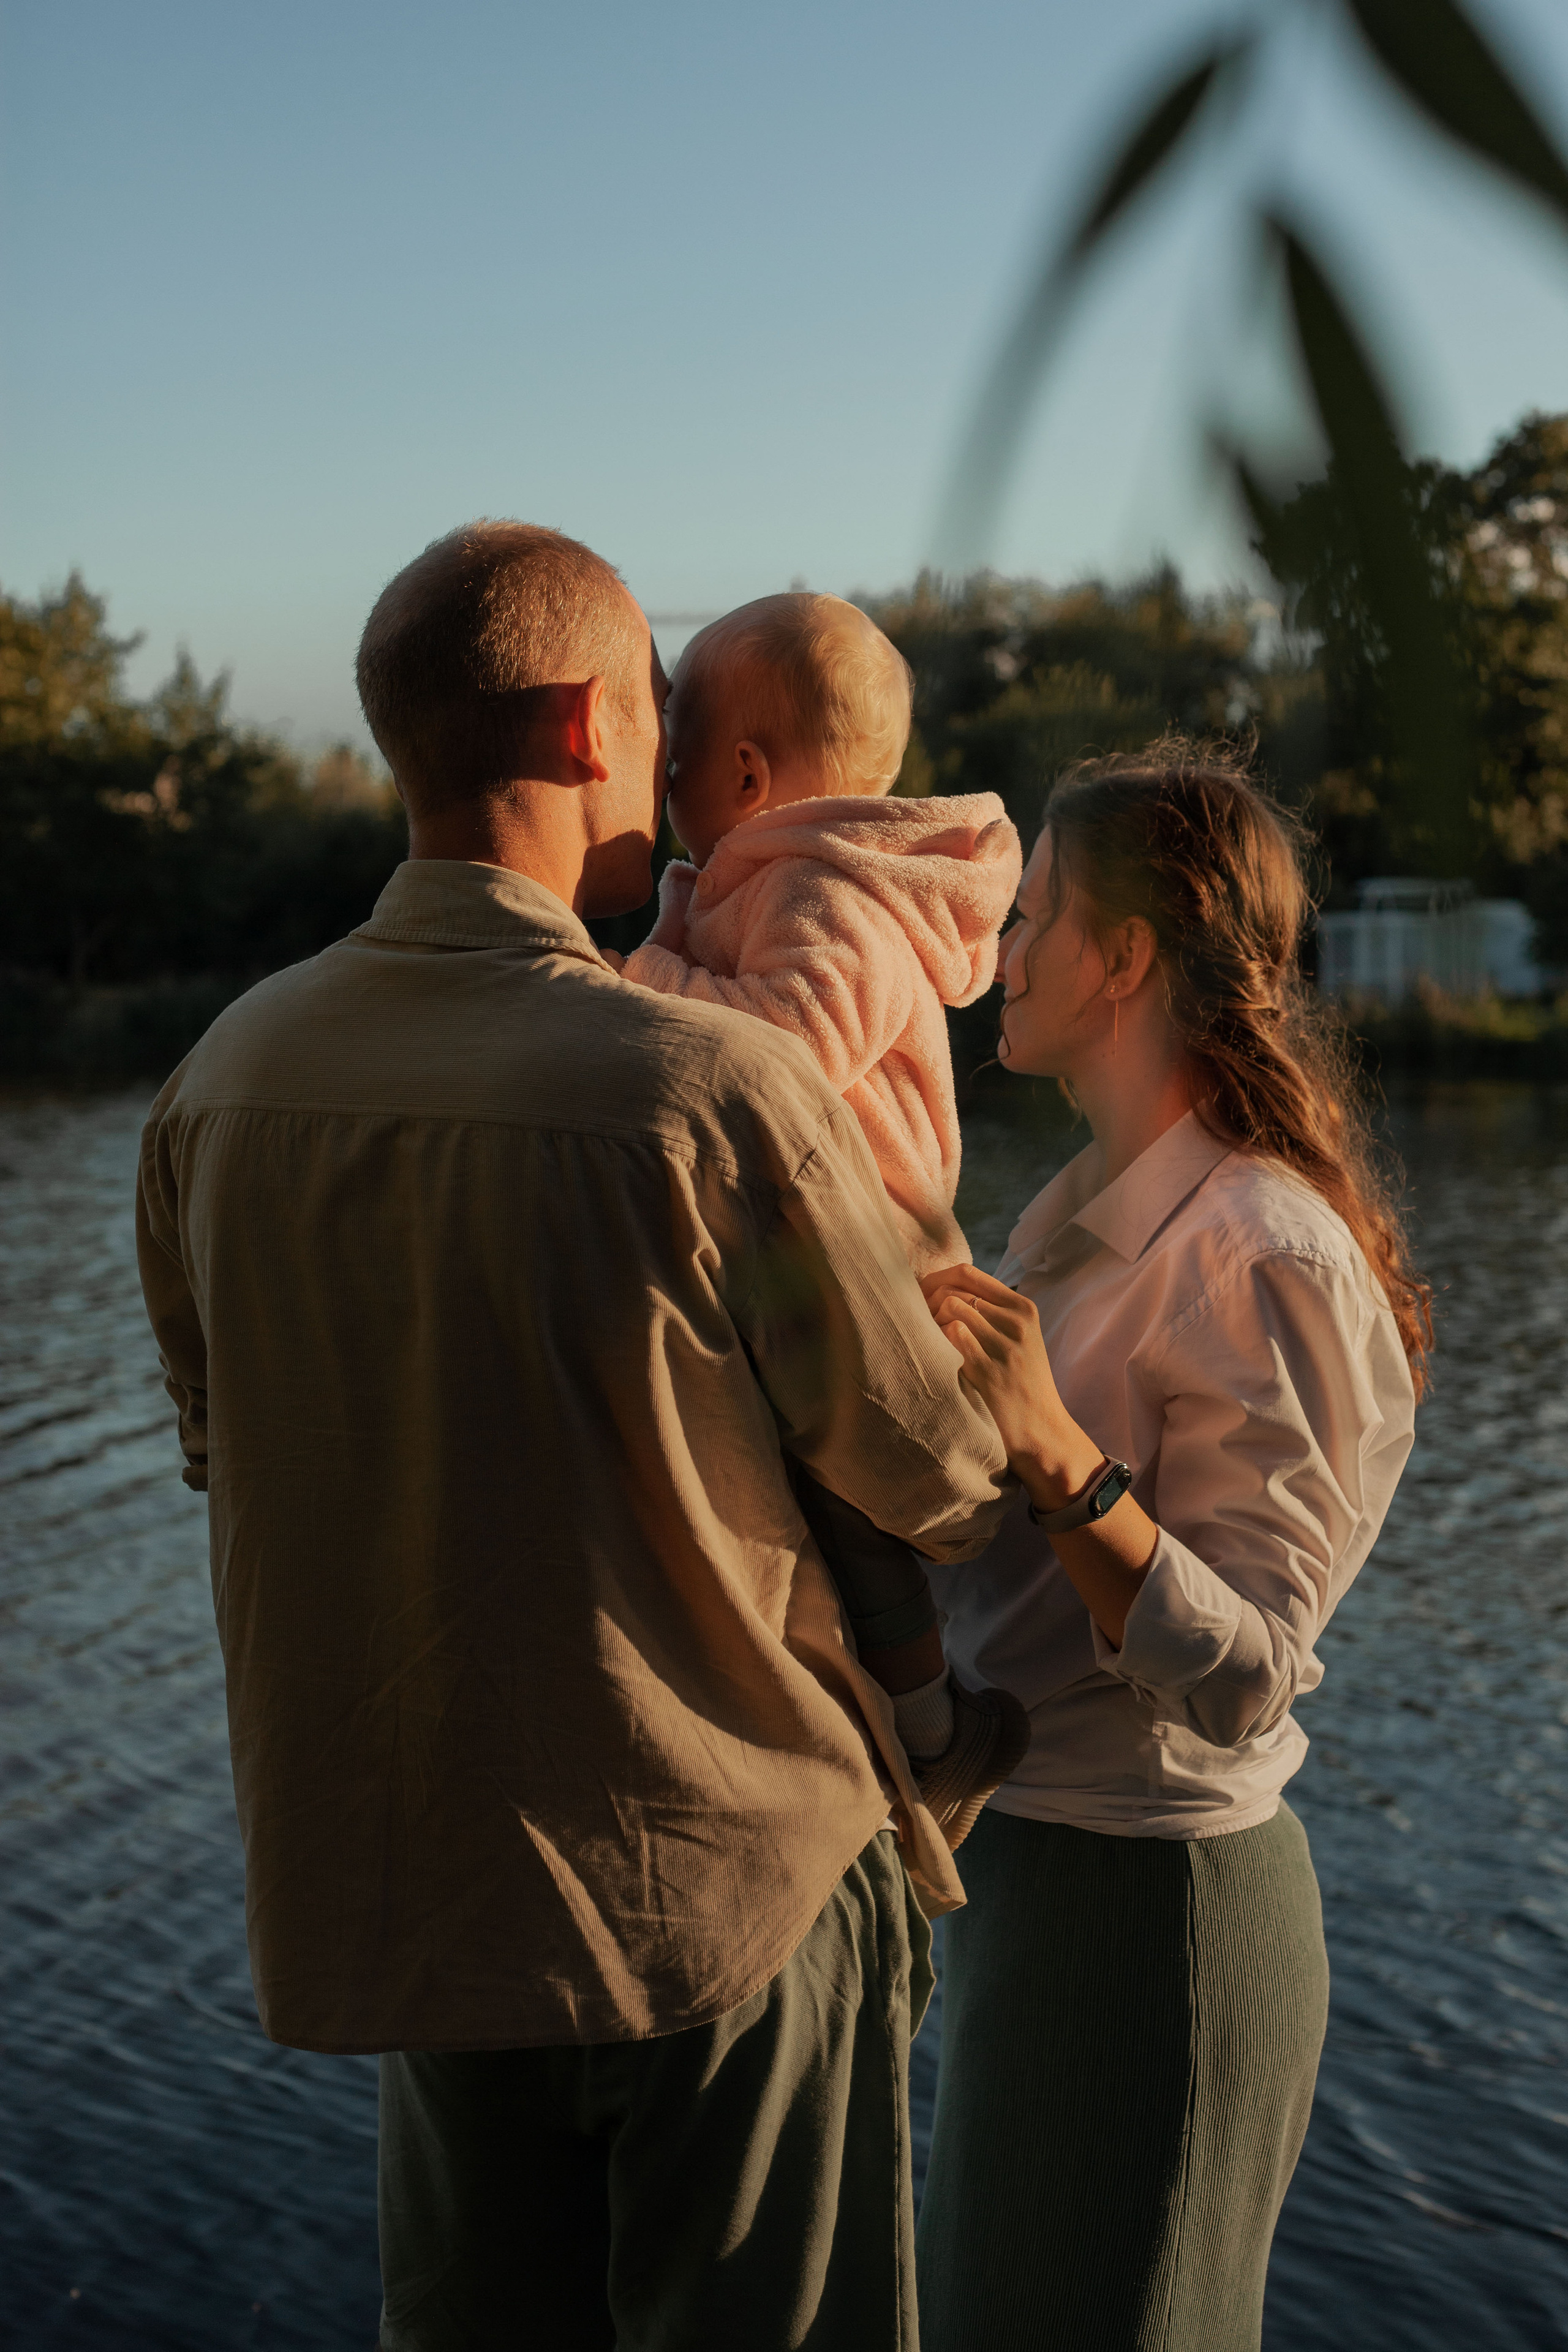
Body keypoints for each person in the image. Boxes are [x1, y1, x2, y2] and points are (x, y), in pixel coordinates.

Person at [135, 522, 1014, 2352]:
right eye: (657, 720)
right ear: (577, 730)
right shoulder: (714, 1087)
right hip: (732, 1905)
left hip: (438, 1924)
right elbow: (929, 1476)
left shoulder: (216, 1087)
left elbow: (230, 1451)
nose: (682, 792)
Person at [913, 742, 1427, 2352]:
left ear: (1122, 954)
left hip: (1159, 1925)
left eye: (1033, 917)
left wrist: (1052, 1444)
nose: (998, 957)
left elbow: (1252, 1678)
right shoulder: (1081, 1217)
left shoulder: (1262, 1249)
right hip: (1045, 1892)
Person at [617, 590, 1027, 1844]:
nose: (660, 776)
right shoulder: (770, 877)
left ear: (741, 770)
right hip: (806, 1250)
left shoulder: (824, 894)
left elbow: (785, 1050)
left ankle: (931, 1730)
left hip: (873, 1262)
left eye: (674, 750)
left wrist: (635, 980)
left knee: (851, 1508)